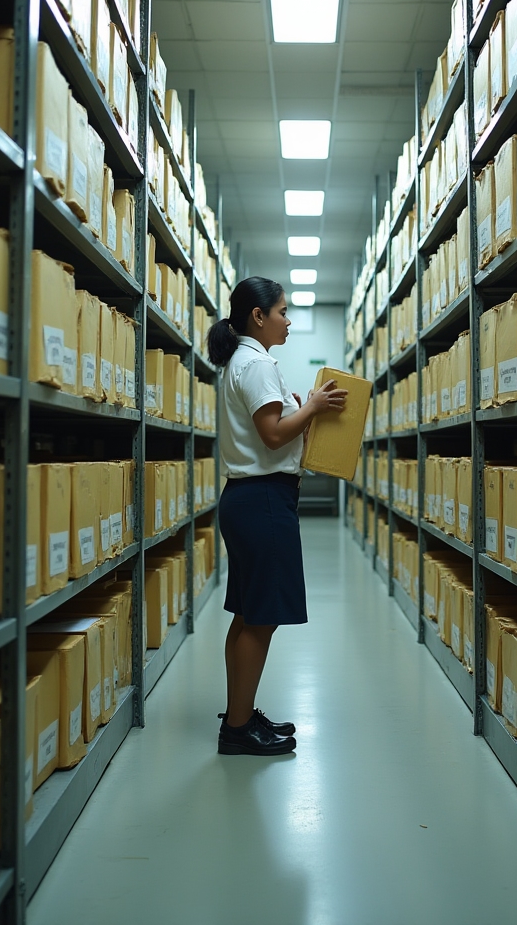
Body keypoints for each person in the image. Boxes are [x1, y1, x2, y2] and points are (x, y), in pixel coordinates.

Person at [207, 277, 347, 755]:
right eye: (283, 312)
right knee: (261, 620)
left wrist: (306, 413)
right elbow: (272, 435)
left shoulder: (241, 362)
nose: (289, 321)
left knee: (247, 616)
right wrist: (311, 406)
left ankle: (240, 715)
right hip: (264, 501)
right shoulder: (258, 364)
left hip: (248, 499)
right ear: (258, 316)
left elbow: (274, 433)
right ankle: (239, 729)